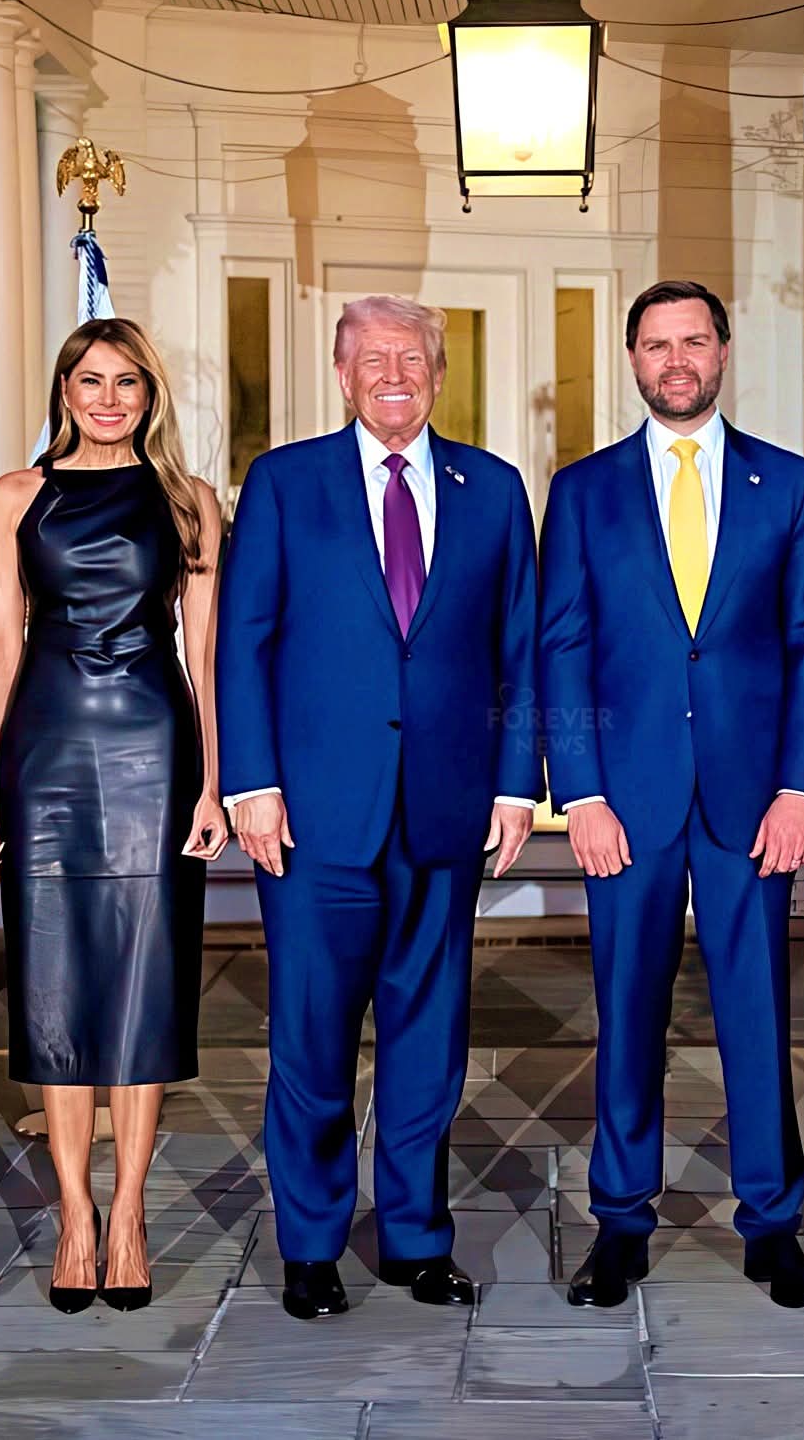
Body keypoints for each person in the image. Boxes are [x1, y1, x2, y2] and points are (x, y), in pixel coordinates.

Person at [217, 294, 541, 1321]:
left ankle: (413, 1237)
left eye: (413, 356)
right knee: (311, 1040)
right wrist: (250, 782)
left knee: (427, 1036)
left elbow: (518, 648)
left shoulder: (490, 489)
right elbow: (243, 641)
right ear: (341, 371)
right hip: (312, 815)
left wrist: (513, 780)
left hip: (443, 808)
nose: (393, 372)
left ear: (440, 373)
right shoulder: (281, 482)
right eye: (373, 357)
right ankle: (311, 1245)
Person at [539, 280, 804, 1310]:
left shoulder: (791, 487)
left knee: (756, 1013)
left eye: (693, 340)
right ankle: (620, 1220)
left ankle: (772, 1224)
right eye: (657, 343)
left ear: (721, 352)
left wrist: (801, 785)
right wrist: (578, 791)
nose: (676, 360)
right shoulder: (580, 491)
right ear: (632, 361)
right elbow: (562, 646)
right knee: (627, 1009)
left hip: (755, 801)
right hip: (625, 799)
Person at [0, 318, 226, 1315]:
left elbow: (205, 656)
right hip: (43, 750)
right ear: (64, 388)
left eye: (127, 382)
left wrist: (215, 781)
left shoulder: (192, 502)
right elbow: (1, 648)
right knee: (54, 983)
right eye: (91, 380)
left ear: (148, 393)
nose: (109, 398)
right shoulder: (15, 496)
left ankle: (127, 1212)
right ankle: (72, 1214)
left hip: (153, 750)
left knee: (143, 984)